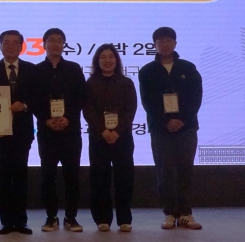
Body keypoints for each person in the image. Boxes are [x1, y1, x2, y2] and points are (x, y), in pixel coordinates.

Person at [139, 27, 203, 230]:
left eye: (168, 40)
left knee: (185, 170)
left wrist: (182, 119)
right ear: (154, 45)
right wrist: (166, 121)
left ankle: (185, 213)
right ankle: (169, 213)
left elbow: (196, 97)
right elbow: (148, 102)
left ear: (175, 43)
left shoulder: (188, 68)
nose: (165, 44)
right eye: (160, 41)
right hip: (160, 128)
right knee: (164, 171)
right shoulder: (147, 71)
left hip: (187, 127)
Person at [0, 30, 38, 235]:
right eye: (7, 42)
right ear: (0, 46)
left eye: (15, 43)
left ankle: (21, 221)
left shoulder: (31, 70)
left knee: (21, 177)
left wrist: (25, 105)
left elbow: (38, 98)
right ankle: (6, 222)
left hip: (22, 132)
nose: (11, 46)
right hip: (0, 133)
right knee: (3, 178)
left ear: (21, 47)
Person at [33, 28, 87, 232]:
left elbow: (81, 97)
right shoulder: (36, 70)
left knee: (72, 175)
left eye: (59, 40)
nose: (55, 44)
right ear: (44, 44)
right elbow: (34, 100)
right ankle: (51, 217)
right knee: (48, 176)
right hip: (47, 132)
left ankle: (71, 217)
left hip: (70, 131)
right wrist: (46, 120)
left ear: (64, 44)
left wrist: (68, 118)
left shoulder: (74, 68)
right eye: (51, 40)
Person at [83, 44, 137, 232]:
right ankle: (102, 218)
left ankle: (124, 219)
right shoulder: (90, 83)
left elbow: (131, 109)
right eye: (103, 57)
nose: (107, 60)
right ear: (97, 61)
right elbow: (88, 110)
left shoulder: (126, 83)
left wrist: (117, 131)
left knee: (124, 178)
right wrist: (103, 131)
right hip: (99, 138)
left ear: (117, 60)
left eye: (111, 57)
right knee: (100, 179)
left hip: (122, 138)